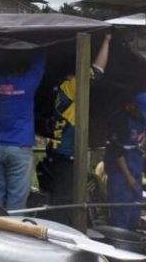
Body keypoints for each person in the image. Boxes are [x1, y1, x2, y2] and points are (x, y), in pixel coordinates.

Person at [37, 34, 112, 220]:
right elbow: (98, 71)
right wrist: (107, 40)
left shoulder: (55, 86)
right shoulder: (72, 87)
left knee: (55, 201)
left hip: (53, 152)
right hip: (66, 153)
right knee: (65, 204)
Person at [0, 38, 44, 211]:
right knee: (17, 197)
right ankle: (12, 234)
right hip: (21, 147)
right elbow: (40, 61)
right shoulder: (29, 83)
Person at [104, 92, 146, 230]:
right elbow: (116, 150)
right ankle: (120, 239)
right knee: (121, 208)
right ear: (133, 107)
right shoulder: (118, 120)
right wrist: (127, 176)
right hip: (120, 168)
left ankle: (134, 231)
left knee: (136, 205)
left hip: (136, 162)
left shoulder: (142, 118)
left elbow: (145, 135)